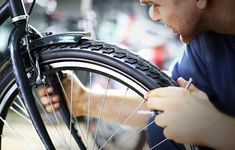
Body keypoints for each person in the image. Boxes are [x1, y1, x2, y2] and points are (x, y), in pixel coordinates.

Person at [38, 0, 235, 149]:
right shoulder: (208, 42)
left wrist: (213, 127)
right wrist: (84, 101)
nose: (153, 15)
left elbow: (199, 120)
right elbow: (164, 104)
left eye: (156, 4)